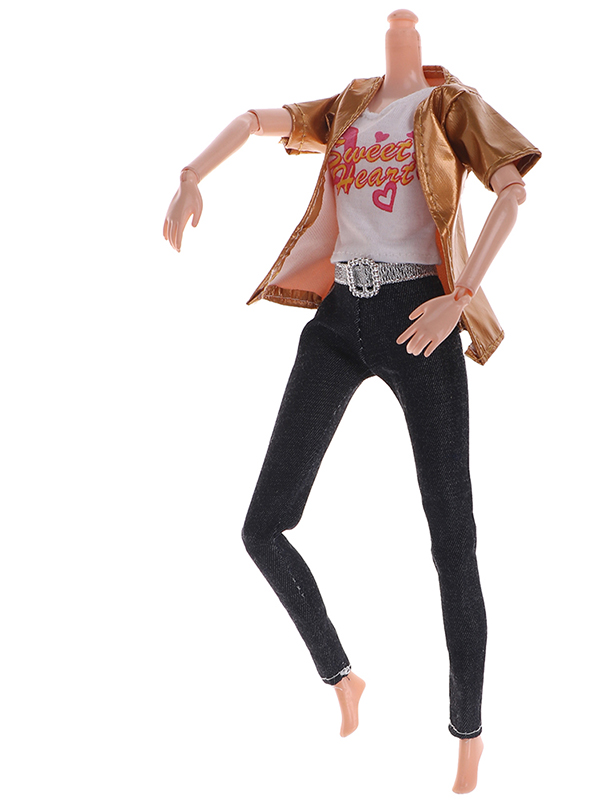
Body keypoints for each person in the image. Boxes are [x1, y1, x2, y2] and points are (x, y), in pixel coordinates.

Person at [163, 9, 540, 793]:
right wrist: (192, 174)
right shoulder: (352, 103)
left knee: (452, 539)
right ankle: (341, 673)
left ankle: (468, 734)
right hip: (338, 323)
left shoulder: (452, 104)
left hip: (419, 318)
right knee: (262, 527)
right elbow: (256, 119)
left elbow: (513, 193)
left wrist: (460, 300)